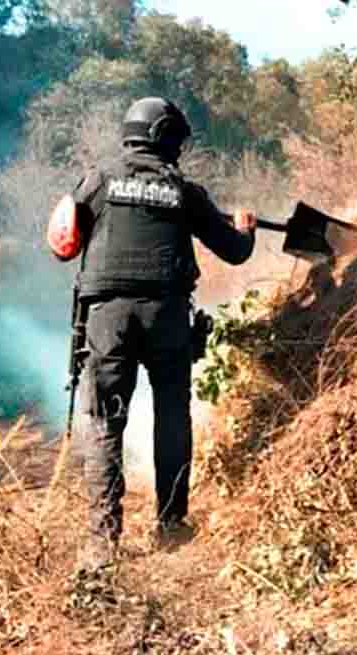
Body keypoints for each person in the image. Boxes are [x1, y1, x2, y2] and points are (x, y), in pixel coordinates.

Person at [46, 97, 258, 574]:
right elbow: (235, 252)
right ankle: (171, 525)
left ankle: (102, 542)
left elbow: (62, 245)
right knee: (172, 417)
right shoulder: (184, 191)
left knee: (106, 422)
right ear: (166, 138)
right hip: (166, 316)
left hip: (107, 318)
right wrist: (245, 228)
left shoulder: (97, 181)